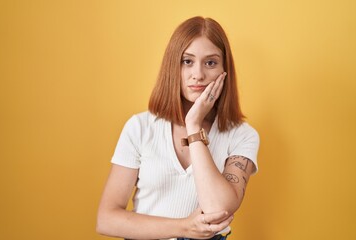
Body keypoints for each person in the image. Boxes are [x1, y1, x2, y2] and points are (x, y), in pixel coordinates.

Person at [97, 16, 260, 240]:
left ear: (225, 70)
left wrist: (193, 126)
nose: (198, 74)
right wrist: (183, 227)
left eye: (210, 62)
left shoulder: (242, 135)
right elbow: (107, 219)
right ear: (173, 65)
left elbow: (217, 210)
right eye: (187, 61)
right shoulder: (140, 127)